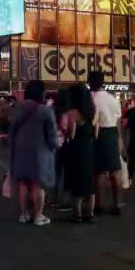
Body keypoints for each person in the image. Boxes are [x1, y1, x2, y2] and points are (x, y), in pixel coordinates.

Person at [10, 80, 57, 226]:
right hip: (40, 150)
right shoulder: (45, 110)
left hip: (22, 149)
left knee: (23, 182)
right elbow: (51, 133)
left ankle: (23, 214)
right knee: (38, 183)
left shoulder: (17, 108)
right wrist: (53, 146)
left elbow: (12, 130)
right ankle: (38, 215)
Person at [88, 71, 123, 216]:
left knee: (100, 172)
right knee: (116, 171)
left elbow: (91, 121)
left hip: (99, 134)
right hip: (112, 133)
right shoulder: (112, 98)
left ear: (90, 82)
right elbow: (118, 120)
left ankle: (100, 205)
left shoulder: (92, 99)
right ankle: (118, 204)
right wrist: (120, 140)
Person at [66, 84, 97, 223]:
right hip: (89, 147)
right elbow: (96, 132)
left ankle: (77, 214)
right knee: (89, 180)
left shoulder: (72, 113)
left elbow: (71, 134)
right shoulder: (93, 110)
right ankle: (90, 214)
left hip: (76, 148)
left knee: (77, 180)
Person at [52, 88, 72, 210]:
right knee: (68, 173)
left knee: (56, 173)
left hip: (54, 145)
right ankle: (65, 201)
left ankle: (53, 199)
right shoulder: (68, 113)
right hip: (67, 144)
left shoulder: (52, 110)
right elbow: (67, 131)